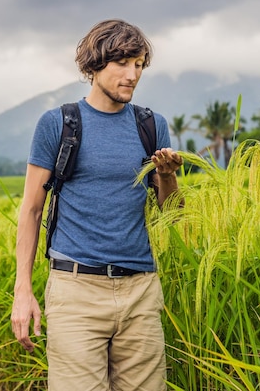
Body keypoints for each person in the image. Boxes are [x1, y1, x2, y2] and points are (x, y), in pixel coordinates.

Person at [11, 19, 183, 391]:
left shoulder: (152, 126)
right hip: (75, 292)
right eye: (122, 63)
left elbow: (173, 214)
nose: (132, 74)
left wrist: (167, 176)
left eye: (139, 64)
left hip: (140, 290)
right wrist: (22, 290)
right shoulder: (58, 124)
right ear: (94, 64)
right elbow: (31, 210)